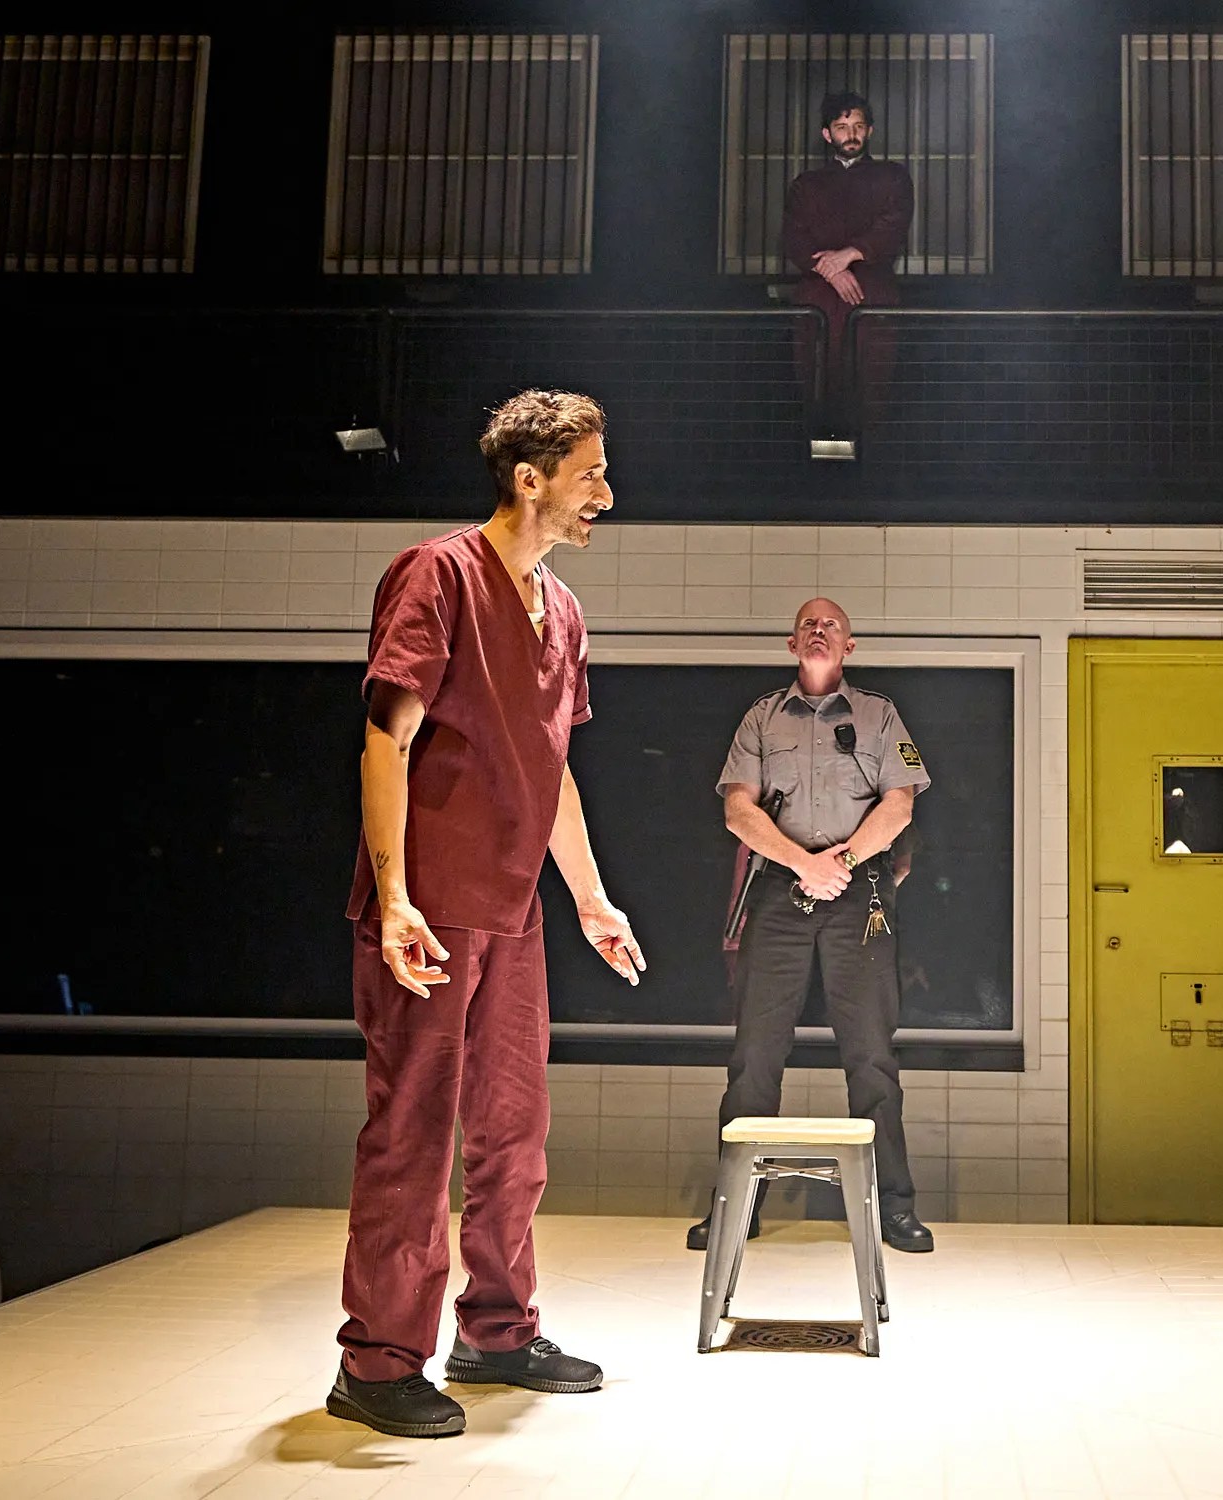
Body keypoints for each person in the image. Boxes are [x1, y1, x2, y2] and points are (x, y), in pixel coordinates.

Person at [329, 390, 647, 1440]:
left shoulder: (563, 612)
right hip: (429, 909)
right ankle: (377, 1362)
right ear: (529, 478)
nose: (606, 493)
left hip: (512, 913)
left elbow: (550, 768)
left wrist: (590, 898)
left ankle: (498, 1332)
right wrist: (394, 898)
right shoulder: (439, 574)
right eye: (589, 474)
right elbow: (386, 738)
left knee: (514, 1132)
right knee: (414, 1138)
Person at [688, 598, 935, 1253]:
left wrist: (841, 865)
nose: (818, 630)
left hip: (861, 895)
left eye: (831, 625)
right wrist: (804, 865)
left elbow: (900, 806)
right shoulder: (763, 717)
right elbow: (739, 812)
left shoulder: (879, 715)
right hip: (781, 891)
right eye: (808, 624)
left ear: (849, 645)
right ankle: (736, 1209)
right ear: (792, 643)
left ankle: (893, 1209)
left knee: (873, 1056)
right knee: (754, 1056)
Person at [782, 90, 913, 433]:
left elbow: (893, 225)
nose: (851, 134)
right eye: (842, 127)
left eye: (858, 126)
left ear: (870, 130)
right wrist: (832, 272)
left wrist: (849, 254)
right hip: (818, 298)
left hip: (872, 293)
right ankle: (818, 452)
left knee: (872, 378)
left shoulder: (892, 177)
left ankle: (870, 455)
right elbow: (794, 238)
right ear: (827, 134)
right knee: (817, 377)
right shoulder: (806, 184)